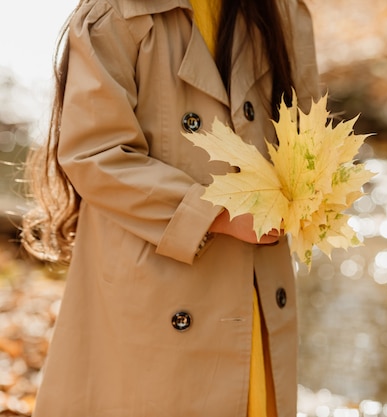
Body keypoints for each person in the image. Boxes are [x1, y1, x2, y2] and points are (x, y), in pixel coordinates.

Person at [20, 0, 320, 415]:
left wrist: (312, 190)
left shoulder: (279, 11)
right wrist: (218, 212)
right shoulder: (117, 15)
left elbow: (308, 127)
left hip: (254, 285)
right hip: (158, 288)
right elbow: (95, 153)